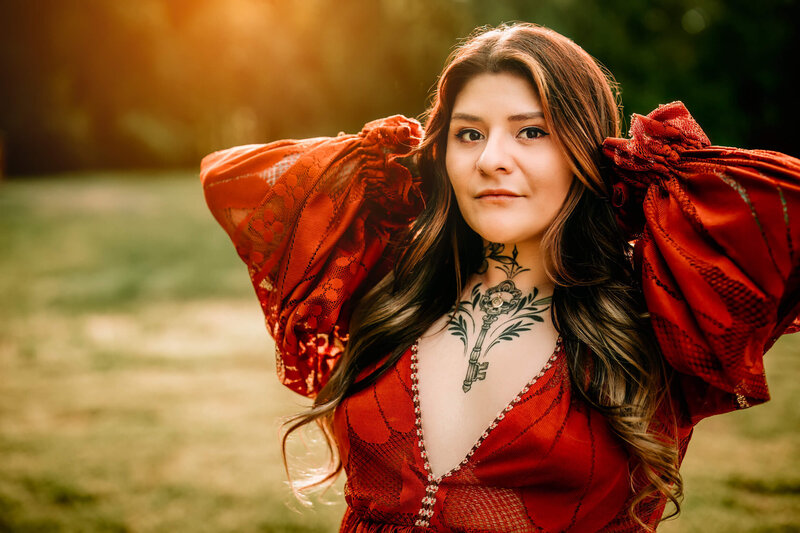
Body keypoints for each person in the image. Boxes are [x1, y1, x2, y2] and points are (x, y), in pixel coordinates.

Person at [199, 22, 799, 532]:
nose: (491, 160)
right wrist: (395, 168)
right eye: (469, 134)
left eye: (531, 131)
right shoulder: (387, 291)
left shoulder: (655, 318)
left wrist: (653, 181)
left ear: (588, 150)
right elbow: (231, 180)